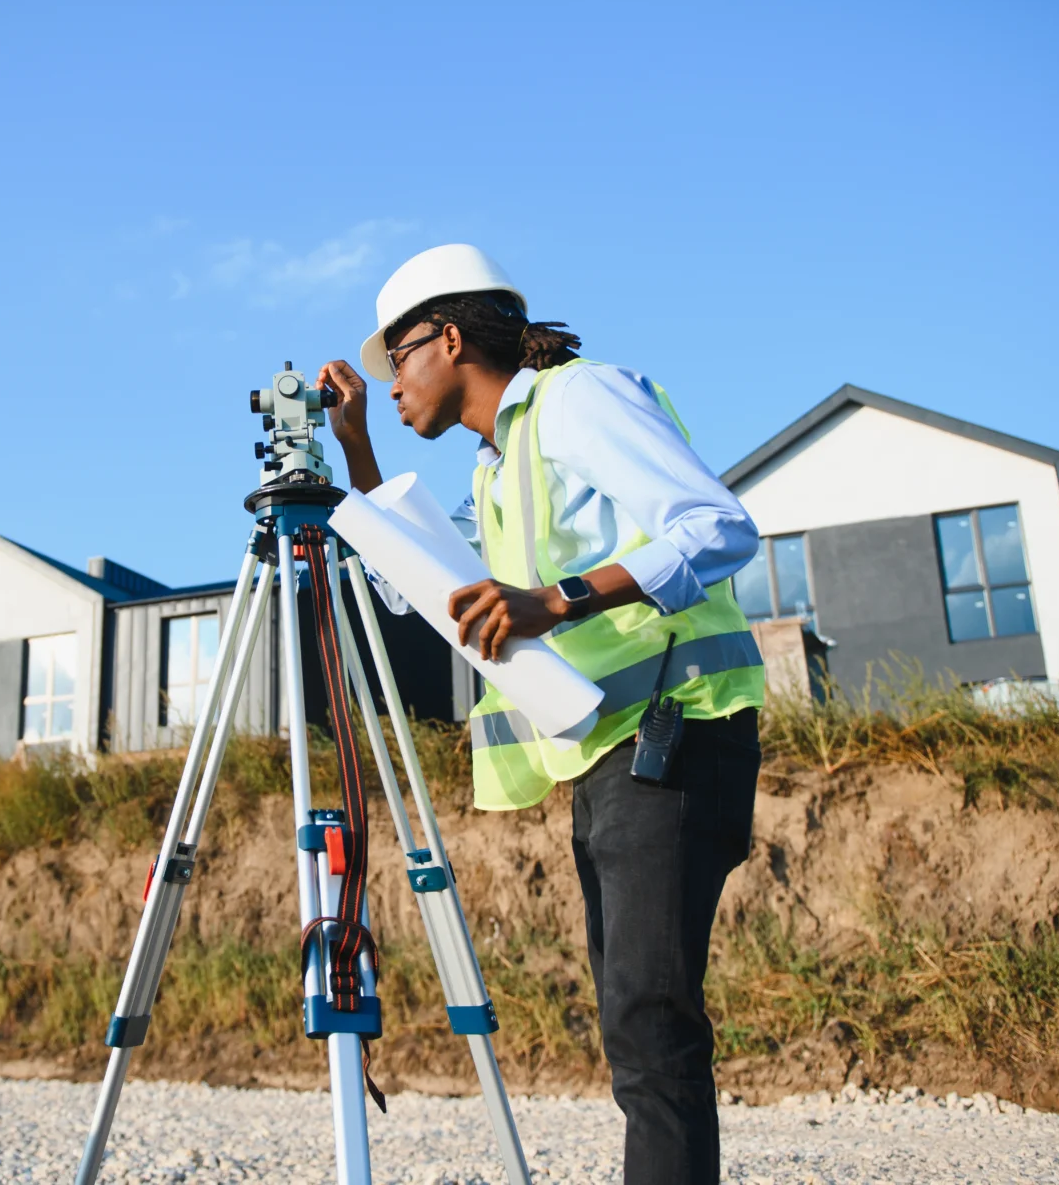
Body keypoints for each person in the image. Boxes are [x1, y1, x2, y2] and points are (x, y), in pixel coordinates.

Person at [316, 242, 765, 1185]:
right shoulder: (496, 465)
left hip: (677, 729)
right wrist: (357, 450)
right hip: (609, 755)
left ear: (449, 338)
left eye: (398, 355)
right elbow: (415, 583)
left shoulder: (577, 399)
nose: (390, 382)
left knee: (649, 1020)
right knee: (635, 1020)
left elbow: (717, 527)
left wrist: (559, 598)